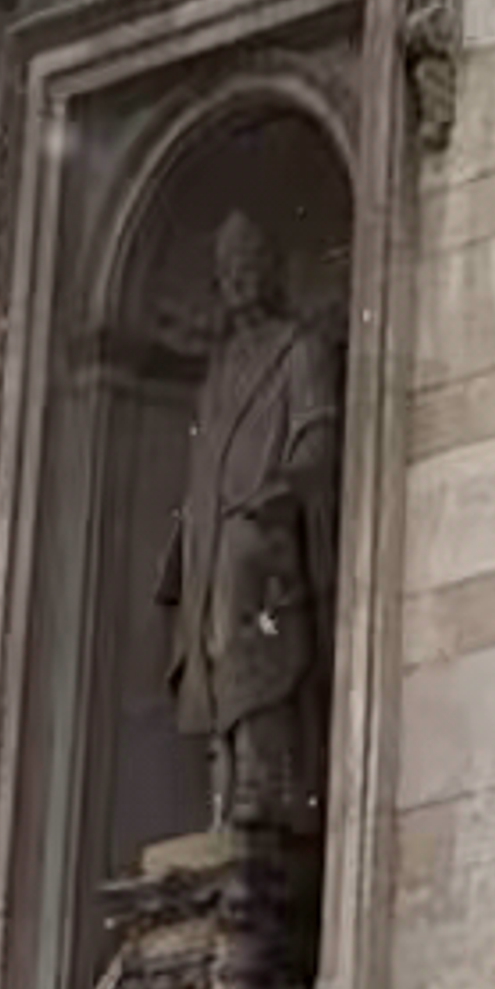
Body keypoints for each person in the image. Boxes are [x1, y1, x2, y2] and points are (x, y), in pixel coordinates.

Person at [160, 211, 346, 842]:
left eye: (248, 263)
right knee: (207, 622)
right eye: (228, 268)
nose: (239, 277)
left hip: (271, 537)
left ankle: (264, 778)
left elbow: (318, 435)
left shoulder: (300, 350)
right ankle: (227, 779)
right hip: (213, 539)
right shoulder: (217, 373)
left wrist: (283, 489)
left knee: (246, 590)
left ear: (271, 271)